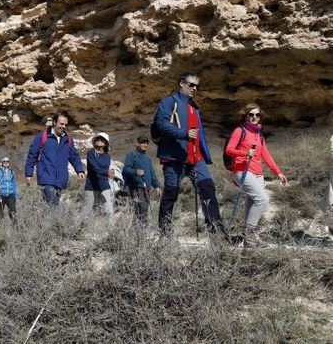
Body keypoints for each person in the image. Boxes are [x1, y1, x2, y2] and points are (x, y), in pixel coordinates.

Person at [152, 72, 227, 238]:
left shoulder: (194, 106)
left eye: (197, 86)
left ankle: (218, 234)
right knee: (171, 193)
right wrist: (184, 133)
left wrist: (203, 153)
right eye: (191, 84)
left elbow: (198, 134)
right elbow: (161, 124)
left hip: (195, 157)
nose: (194, 88)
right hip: (173, 156)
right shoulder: (169, 101)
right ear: (181, 83)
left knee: (208, 188)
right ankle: (165, 234)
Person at [224, 104, 288, 247]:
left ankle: (248, 239)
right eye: (251, 114)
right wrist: (245, 153)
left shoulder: (259, 133)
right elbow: (229, 150)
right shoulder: (240, 131)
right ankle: (250, 233)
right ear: (246, 116)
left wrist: (278, 172)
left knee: (253, 200)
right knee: (262, 199)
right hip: (242, 171)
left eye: (257, 115)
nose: (254, 117)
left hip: (257, 173)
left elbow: (265, 154)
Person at [25, 112, 85, 207]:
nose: (63, 126)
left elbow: (74, 156)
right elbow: (32, 155)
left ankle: (46, 222)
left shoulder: (68, 140)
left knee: (53, 206)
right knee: (52, 206)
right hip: (46, 177)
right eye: (61, 124)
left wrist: (80, 170)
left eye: (65, 124)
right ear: (54, 122)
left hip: (61, 180)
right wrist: (29, 173)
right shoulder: (42, 137)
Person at [122, 136, 161, 226]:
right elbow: (126, 169)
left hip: (146, 189)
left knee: (143, 210)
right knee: (141, 210)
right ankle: (139, 233)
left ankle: (138, 233)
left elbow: (152, 174)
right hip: (136, 188)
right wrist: (136, 171)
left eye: (147, 143)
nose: (145, 144)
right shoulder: (132, 155)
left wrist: (157, 186)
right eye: (143, 142)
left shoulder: (148, 159)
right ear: (137, 144)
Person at [82, 133, 116, 225]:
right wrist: (106, 173)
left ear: (106, 143)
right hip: (92, 186)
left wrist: (111, 171)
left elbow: (107, 168)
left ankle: (112, 233)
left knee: (109, 210)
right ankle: (79, 232)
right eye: (98, 139)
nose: (99, 140)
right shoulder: (91, 153)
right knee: (86, 210)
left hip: (104, 186)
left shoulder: (107, 156)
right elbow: (93, 167)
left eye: (102, 139)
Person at [0, 157, 19, 221]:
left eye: (7, 161)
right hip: (1, 194)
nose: (6, 162)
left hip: (10, 194)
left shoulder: (12, 172)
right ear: (2, 163)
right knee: (0, 213)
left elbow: (14, 184)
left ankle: (15, 227)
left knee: (13, 212)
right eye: (4, 161)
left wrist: (16, 195)